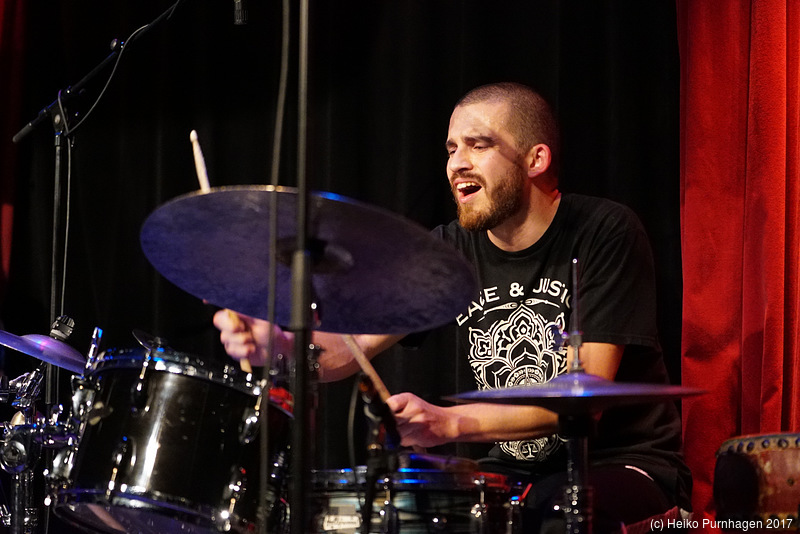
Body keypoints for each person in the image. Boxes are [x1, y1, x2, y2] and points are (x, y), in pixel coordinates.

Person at [213, 82, 692, 532]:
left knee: (548, 514)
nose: (456, 164)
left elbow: (581, 395)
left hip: (623, 464)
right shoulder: (449, 251)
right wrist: (276, 346)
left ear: (535, 159)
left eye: (478, 145)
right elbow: (350, 347)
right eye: (450, 149)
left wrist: (449, 422)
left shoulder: (604, 231)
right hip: (506, 477)